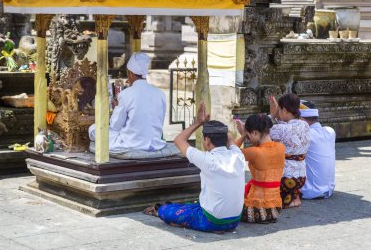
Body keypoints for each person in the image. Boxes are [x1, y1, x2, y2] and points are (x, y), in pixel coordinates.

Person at [143, 102, 246, 233]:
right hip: (234, 222)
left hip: (211, 221)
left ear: (207, 141)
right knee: (192, 206)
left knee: (166, 211)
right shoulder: (238, 156)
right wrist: (221, 131)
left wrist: (198, 122)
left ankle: (161, 210)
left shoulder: (207, 159)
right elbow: (230, 140)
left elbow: (179, 140)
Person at [88, 52, 166, 152]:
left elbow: (115, 126)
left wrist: (116, 107)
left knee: (93, 129)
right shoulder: (160, 93)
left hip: (132, 143)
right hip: (155, 142)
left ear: (130, 73)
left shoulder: (125, 94)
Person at [235, 114, 285, 223]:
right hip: (276, 209)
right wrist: (247, 133)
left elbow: (229, 153)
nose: (248, 139)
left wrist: (242, 136)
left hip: (255, 210)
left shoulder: (254, 152)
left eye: (249, 136)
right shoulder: (281, 147)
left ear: (254, 133)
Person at [269, 93, 311, 208]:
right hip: (301, 177)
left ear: (284, 110)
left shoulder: (279, 128)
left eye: (280, 110)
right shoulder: (305, 125)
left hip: (285, 179)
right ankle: (295, 197)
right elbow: (286, 131)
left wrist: (272, 116)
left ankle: (287, 198)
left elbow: (261, 134)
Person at [299, 100, 336, 199]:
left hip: (310, 191)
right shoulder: (330, 131)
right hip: (329, 189)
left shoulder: (306, 134)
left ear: (301, 120)